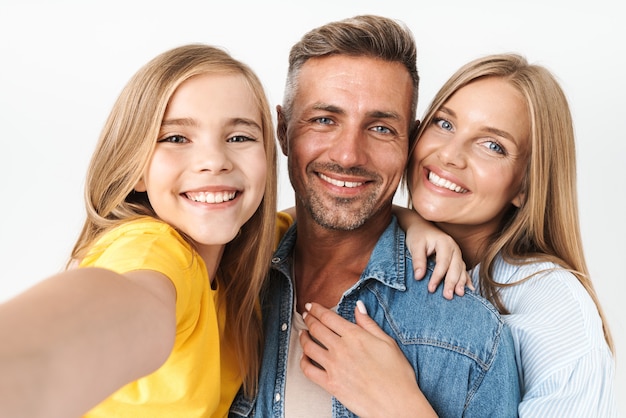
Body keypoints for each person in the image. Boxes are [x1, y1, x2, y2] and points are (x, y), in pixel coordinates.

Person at [229, 15, 520, 418]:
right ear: (282, 129)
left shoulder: (467, 334)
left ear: (410, 142)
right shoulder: (228, 282)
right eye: (324, 120)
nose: (348, 155)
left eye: (381, 128)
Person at [303, 53, 618, 417]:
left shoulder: (553, 307)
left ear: (526, 186)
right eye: (444, 124)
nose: (451, 155)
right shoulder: (398, 253)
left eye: (493, 145)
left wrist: (399, 406)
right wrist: (408, 219)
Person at [0, 43, 278, 418]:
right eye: (176, 138)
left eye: (240, 137)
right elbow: (101, 321)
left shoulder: (249, 250)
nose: (214, 161)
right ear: (137, 169)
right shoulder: (151, 251)